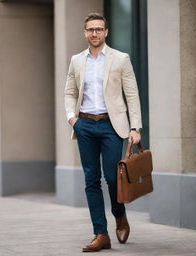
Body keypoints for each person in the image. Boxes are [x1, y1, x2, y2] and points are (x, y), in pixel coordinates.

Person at [64, 13, 142, 252]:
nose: (94, 33)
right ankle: (101, 234)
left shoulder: (120, 58)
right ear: (85, 33)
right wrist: (72, 119)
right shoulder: (77, 60)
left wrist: (135, 127)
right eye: (90, 30)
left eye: (99, 29)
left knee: (111, 177)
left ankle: (119, 214)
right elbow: (70, 91)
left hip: (111, 126)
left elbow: (132, 94)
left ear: (106, 32)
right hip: (85, 125)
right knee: (91, 180)